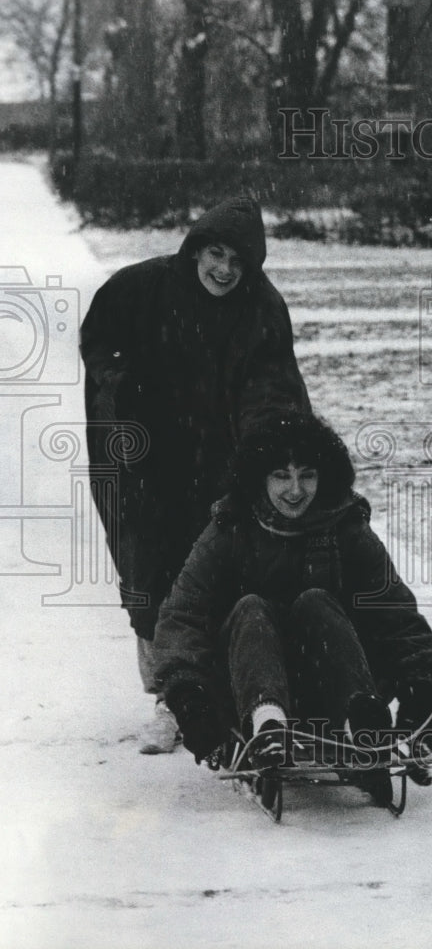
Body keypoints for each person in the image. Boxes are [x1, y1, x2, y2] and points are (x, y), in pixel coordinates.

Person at [80, 196, 311, 754]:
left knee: (222, 573)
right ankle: (168, 697)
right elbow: (97, 342)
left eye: (238, 261)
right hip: (148, 464)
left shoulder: (262, 308)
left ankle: (226, 692)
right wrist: (122, 385)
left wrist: (267, 442)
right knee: (150, 577)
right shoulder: (142, 287)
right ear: (195, 249)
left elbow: (273, 381)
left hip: (223, 462)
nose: (224, 270)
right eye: (215, 254)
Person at [151, 410, 432, 805]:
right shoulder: (230, 528)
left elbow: (395, 613)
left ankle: (359, 724)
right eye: (281, 476)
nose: (295, 490)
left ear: (325, 477)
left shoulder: (345, 528)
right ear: (259, 478)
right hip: (248, 681)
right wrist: (190, 698)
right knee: (252, 608)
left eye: (307, 474)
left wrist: (418, 687)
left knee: (316, 602)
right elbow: (181, 617)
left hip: (331, 676)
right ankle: (268, 727)